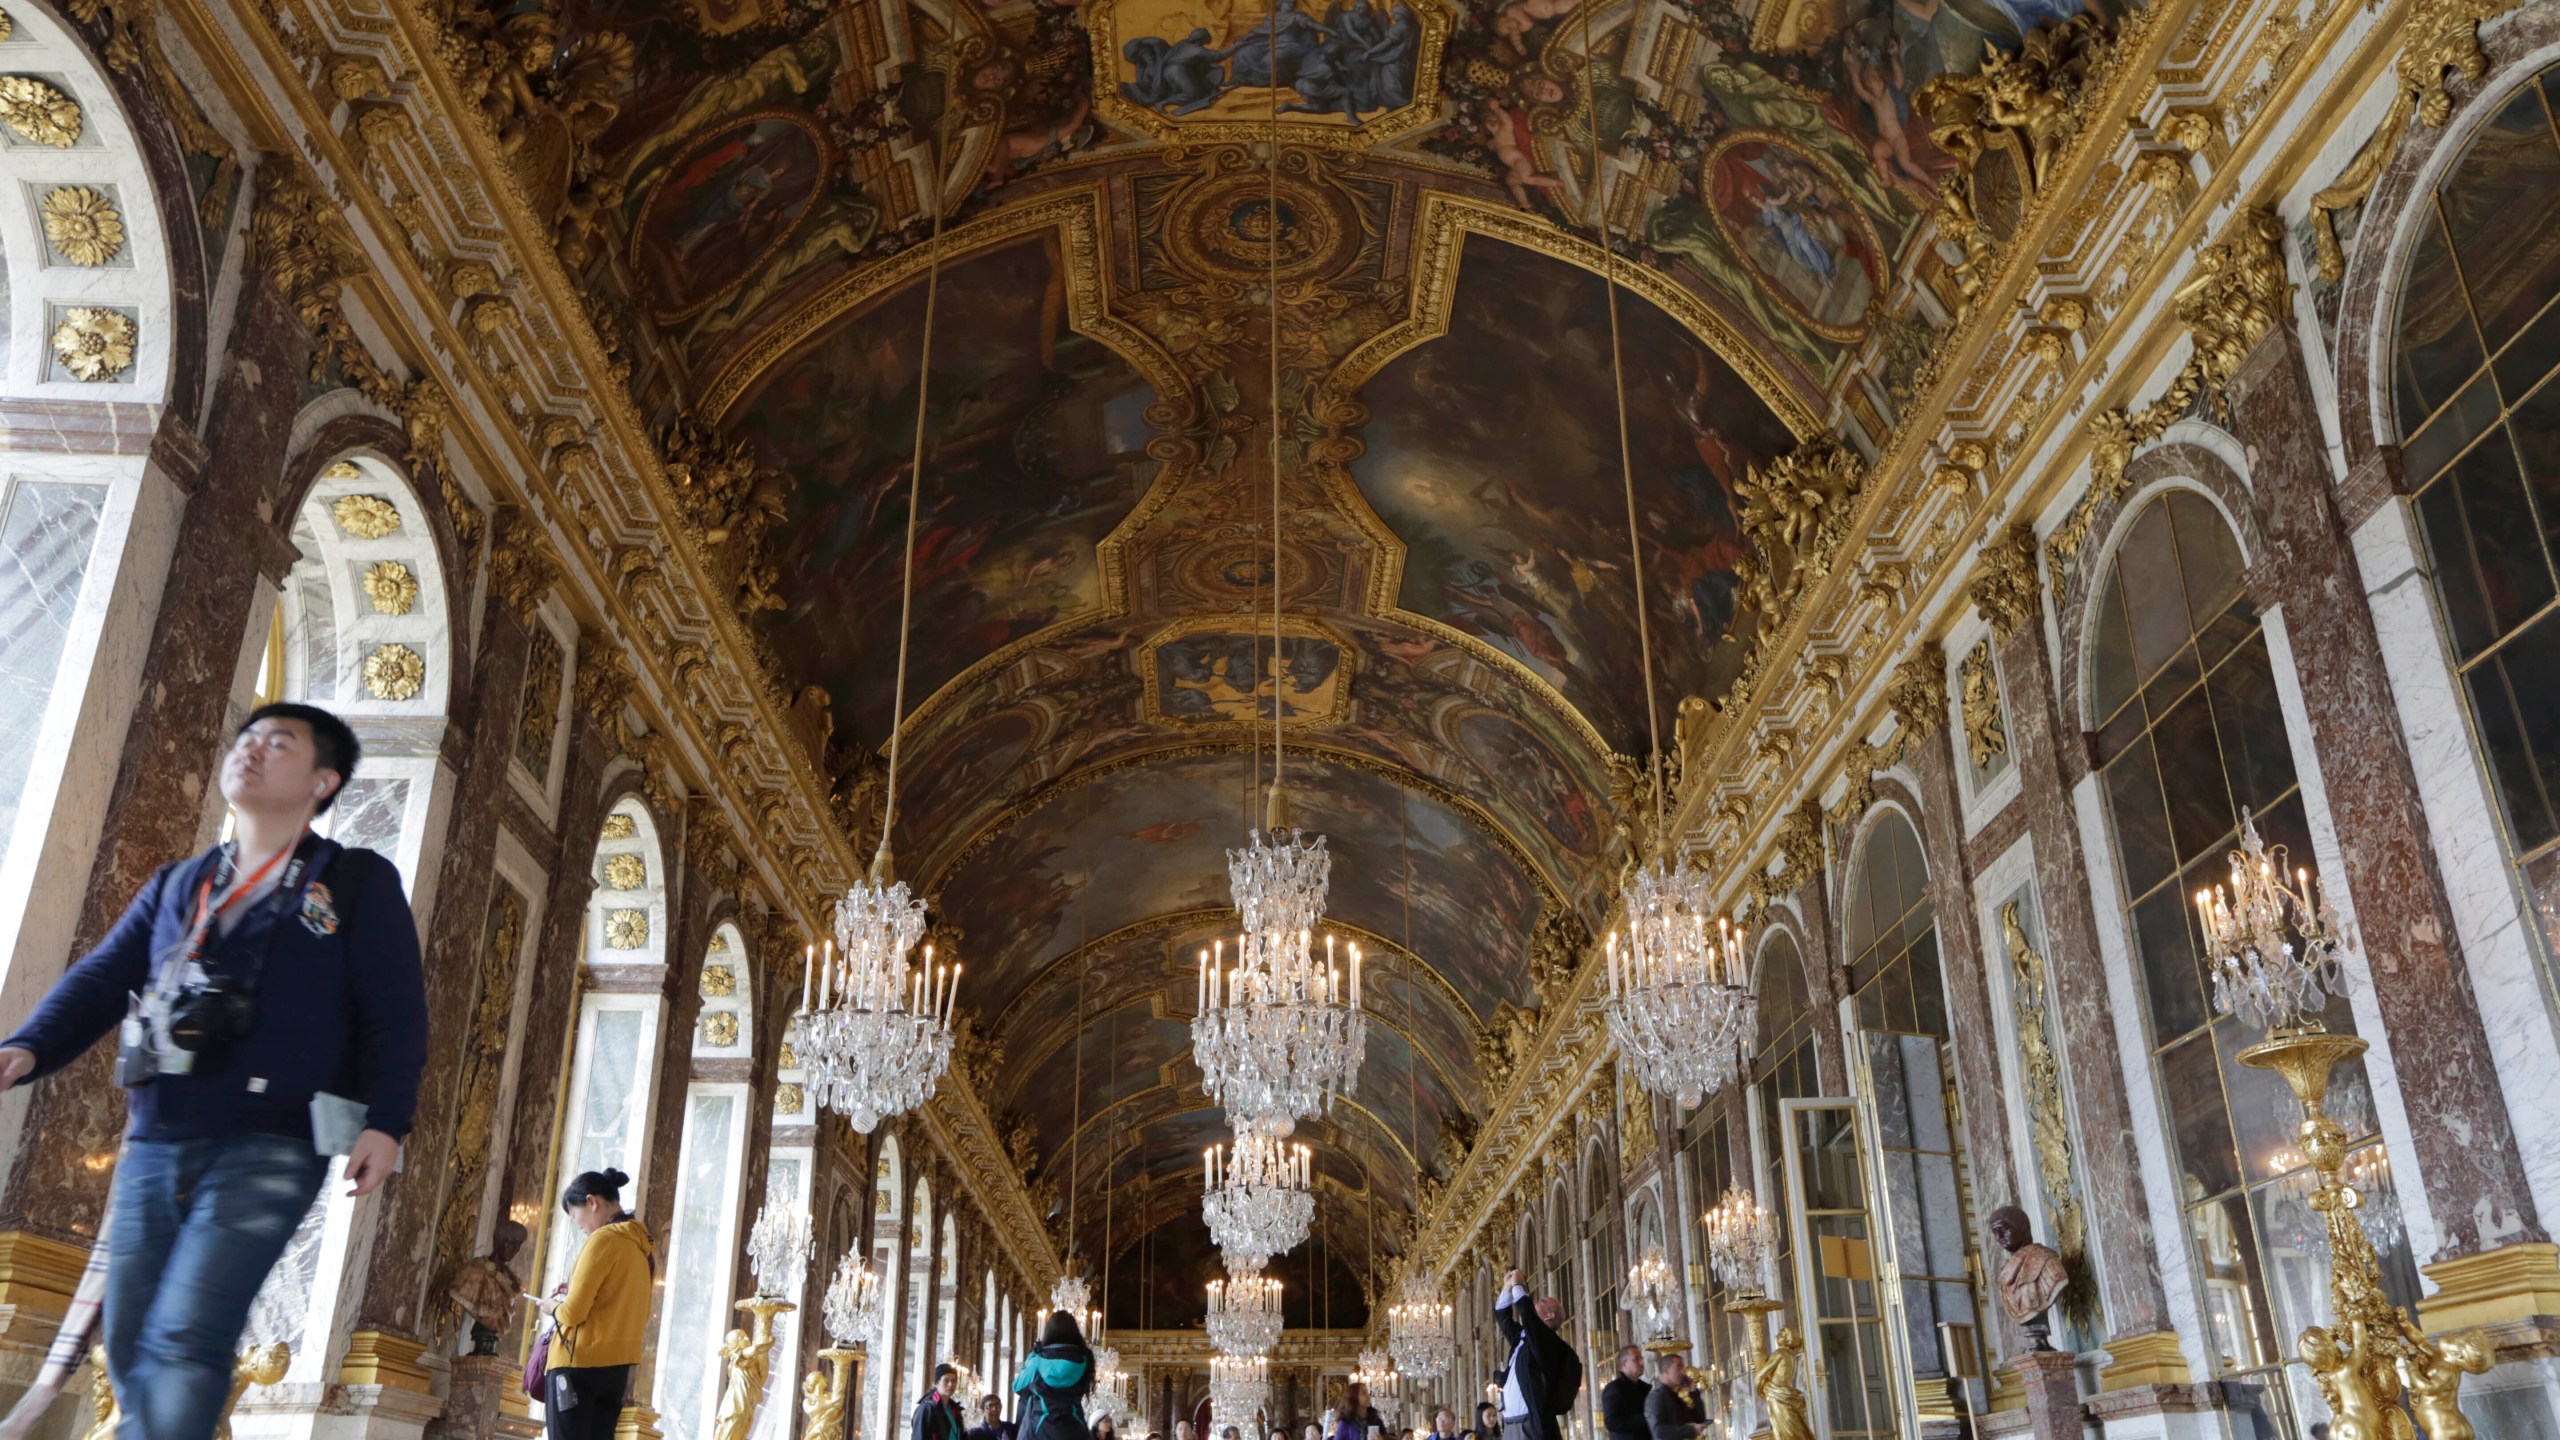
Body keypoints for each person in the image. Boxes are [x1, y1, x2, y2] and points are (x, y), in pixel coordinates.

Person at [0, 702, 427, 1440]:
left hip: (273, 1142)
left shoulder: (354, 882)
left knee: (187, 1334)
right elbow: (103, 976)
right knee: (131, 1342)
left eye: (279, 743)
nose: (252, 751)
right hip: (157, 1138)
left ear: (323, 781)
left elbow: (396, 1011)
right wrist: (29, 1045)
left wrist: (388, 1121)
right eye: (248, 739)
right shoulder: (181, 883)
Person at [538, 1168, 655, 1440]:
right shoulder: (643, 1247)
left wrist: (551, 1306)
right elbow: (638, 1309)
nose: (580, 1226)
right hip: (616, 1370)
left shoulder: (602, 1238)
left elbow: (573, 1313)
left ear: (592, 1202)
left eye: (577, 1217)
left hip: (577, 1365)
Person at [1492, 1268, 1585, 1440]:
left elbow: (1528, 1315)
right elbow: (1502, 1317)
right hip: (1511, 1426)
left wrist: (1518, 1285)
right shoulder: (1523, 1337)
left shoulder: (1548, 1342)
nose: (1534, 1302)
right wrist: (1507, 1288)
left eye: (1541, 1301)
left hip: (1531, 1428)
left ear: (1549, 1316)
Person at [1015, 1310, 1095, 1440]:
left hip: (1039, 1429)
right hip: (1074, 1430)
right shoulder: (1085, 1360)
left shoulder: (1037, 1359)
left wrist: (1031, 1356)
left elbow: (1017, 1387)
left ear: (1048, 1332)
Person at [1643, 1355, 1704, 1440]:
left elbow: (1699, 1418)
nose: (1683, 1371)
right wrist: (1690, 1430)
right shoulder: (1656, 1397)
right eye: (1679, 1366)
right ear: (1666, 1370)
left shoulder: (1677, 1397)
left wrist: (1693, 1391)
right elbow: (1659, 1430)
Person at [1600, 1347, 1649, 1440]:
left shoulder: (1644, 1388)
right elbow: (1611, 1422)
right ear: (1624, 1363)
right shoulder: (1614, 1389)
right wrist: (1645, 1418)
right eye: (1636, 1359)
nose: (1642, 1362)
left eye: (1641, 1358)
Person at [917, 1364, 970, 1440]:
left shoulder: (955, 1410)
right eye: (946, 1380)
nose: (950, 1384)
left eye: (954, 1380)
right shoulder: (926, 1409)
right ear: (936, 1383)